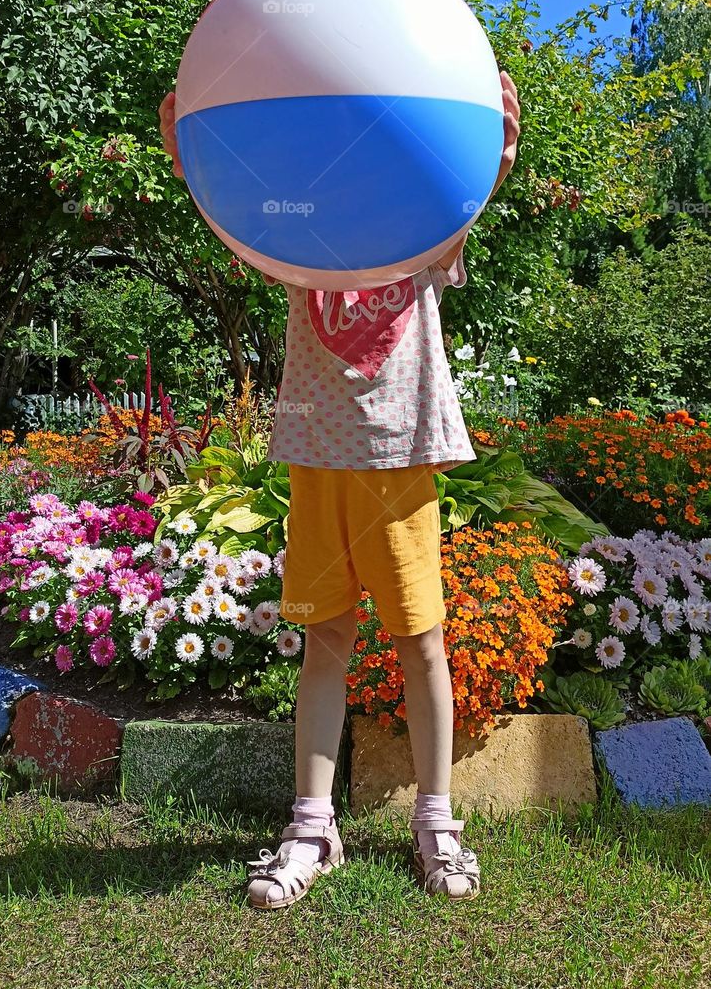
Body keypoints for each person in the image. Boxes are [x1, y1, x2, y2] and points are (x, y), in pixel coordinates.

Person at [158, 70, 520, 909]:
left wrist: (495, 147)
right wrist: (193, 151)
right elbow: (233, 210)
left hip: (400, 462)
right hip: (317, 459)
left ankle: (437, 823)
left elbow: (467, 191)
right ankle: (313, 827)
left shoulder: (426, 230)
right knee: (325, 641)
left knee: (420, 640)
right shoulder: (296, 233)